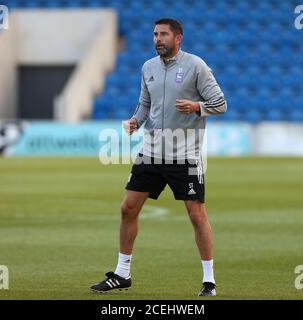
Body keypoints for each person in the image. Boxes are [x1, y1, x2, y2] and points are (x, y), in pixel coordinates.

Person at [90, 18, 226, 297]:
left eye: (163, 34)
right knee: (128, 208)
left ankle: (209, 281)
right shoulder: (148, 67)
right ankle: (122, 273)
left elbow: (220, 104)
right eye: (155, 34)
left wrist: (197, 106)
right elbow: (145, 104)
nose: (158, 39)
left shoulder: (196, 66)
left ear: (178, 38)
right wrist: (134, 121)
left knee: (196, 214)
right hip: (151, 152)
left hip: (185, 154)